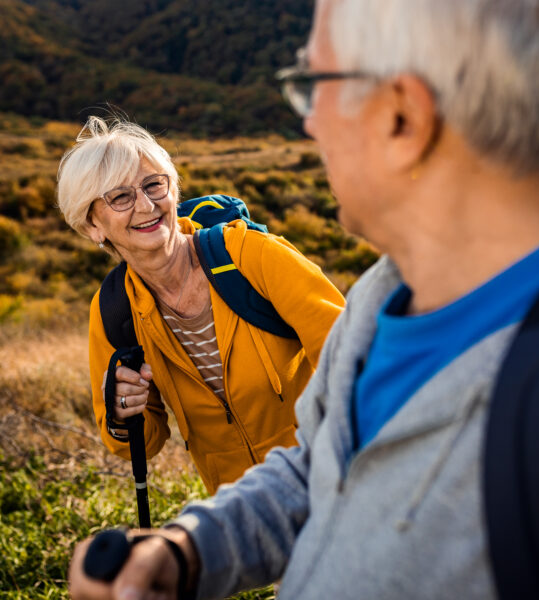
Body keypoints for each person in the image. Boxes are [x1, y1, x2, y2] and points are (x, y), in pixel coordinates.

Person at [69, 0, 539, 598]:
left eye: (314, 84)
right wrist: (189, 551)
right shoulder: (388, 293)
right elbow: (322, 466)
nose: (309, 123)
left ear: (404, 118)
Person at [56, 116, 345, 495]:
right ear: (92, 225)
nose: (146, 205)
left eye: (154, 185)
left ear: (173, 190)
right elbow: (138, 445)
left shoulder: (253, 257)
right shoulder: (113, 311)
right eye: (120, 197)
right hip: (243, 508)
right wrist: (125, 411)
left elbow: (353, 357)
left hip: (333, 477)